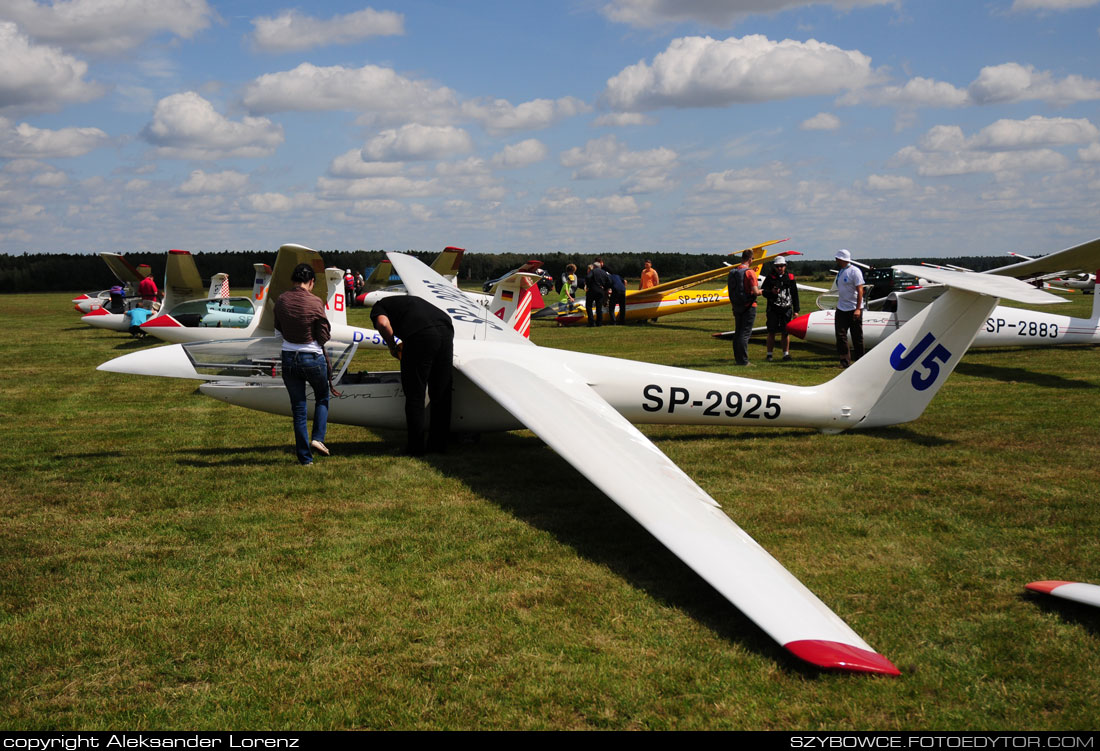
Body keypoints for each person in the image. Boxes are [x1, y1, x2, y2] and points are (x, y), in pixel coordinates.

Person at [370, 296, 454, 456]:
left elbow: (382, 323)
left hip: (420, 334)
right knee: (441, 392)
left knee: (415, 393)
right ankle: (439, 445)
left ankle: (416, 448)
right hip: (445, 327)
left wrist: (392, 346)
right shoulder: (406, 302)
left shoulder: (379, 307)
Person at [273, 263, 331, 466]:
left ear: (293, 280)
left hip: (289, 357)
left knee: (298, 408)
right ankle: (318, 438)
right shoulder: (315, 302)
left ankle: (305, 459)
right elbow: (324, 336)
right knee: (322, 397)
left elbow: (278, 328)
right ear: (311, 282)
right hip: (312, 358)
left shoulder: (281, 300)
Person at [761, 256, 800, 361]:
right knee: (771, 331)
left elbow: (795, 294)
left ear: (785, 266)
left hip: (787, 308)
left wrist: (796, 310)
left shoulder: (790, 278)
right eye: (777, 266)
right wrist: (771, 292)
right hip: (773, 308)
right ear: (774, 267)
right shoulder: (770, 278)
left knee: (785, 332)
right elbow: (763, 292)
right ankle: (769, 354)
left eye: (782, 266)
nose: (780, 268)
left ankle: (785, 354)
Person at [727, 250, 761, 366]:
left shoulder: (734, 271)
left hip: (737, 306)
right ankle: (744, 361)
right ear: (750, 259)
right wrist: (763, 291)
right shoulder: (750, 272)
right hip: (748, 306)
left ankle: (738, 359)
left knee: (738, 333)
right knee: (745, 334)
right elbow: (756, 292)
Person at [833, 248, 866, 368]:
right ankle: (844, 361)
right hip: (841, 308)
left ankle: (860, 361)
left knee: (857, 336)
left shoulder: (855, 271)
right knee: (840, 335)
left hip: (853, 308)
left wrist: (858, 309)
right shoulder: (841, 271)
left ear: (842, 259)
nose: (836, 260)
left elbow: (860, 290)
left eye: (838, 258)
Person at [585, 259, 610, 327]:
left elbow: (587, 277)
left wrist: (588, 285)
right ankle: (599, 323)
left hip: (592, 290)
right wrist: (604, 287)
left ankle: (591, 322)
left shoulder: (593, 271)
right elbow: (609, 281)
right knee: (599, 307)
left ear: (594, 266)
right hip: (601, 291)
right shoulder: (604, 272)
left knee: (589, 306)